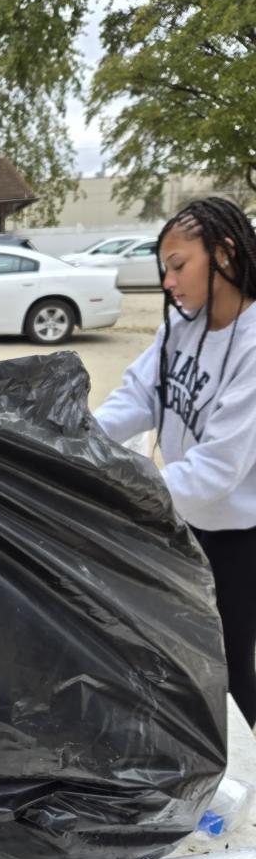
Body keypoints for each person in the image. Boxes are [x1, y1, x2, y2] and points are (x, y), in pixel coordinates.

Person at [95, 196, 256, 726]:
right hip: (184, 520)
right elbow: (137, 397)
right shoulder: (183, 326)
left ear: (225, 253)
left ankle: (240, 765)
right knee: (181, 654)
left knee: (229, 668)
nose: (168, 282)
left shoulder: (253, 344)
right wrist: (75, 445)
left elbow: (217, 470)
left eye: (178, 265)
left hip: (237, 538)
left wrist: (123, 491)